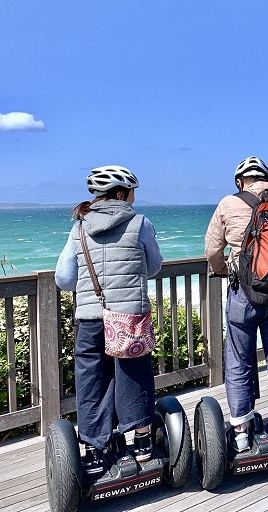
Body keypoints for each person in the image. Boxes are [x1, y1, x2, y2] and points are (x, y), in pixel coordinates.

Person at [55, 165, 163, 475]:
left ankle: (94, 448)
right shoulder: (140, 223)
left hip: (91, 317)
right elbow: (154, 265)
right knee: (134, 372)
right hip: (129, 317)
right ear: (122, 194)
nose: (134, 197)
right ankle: (142, 442)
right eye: (132, 192)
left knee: (92, 380)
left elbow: (64, 278)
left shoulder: (78, 228)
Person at [205, 156, 268, 451]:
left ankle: (241, 430)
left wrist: (220, 269)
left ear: (240, 181)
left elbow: (212, 248)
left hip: (243, 294)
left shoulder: (228, 204)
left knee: (239, 360)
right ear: (266, 179)